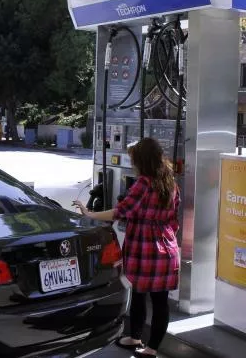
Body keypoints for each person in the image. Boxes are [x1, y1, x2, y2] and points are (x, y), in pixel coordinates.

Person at [72, 137, 180, 358]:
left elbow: (120, 211)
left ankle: (141, 342)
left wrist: (89, 213)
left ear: (142, 160)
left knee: (139, 292)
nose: (132, 164)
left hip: (144, 248)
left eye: (133, 159)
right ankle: (146, 344)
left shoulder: (143, 183)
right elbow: (173, 220)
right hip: (167, 247)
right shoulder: (170, 183)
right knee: (159, 300)